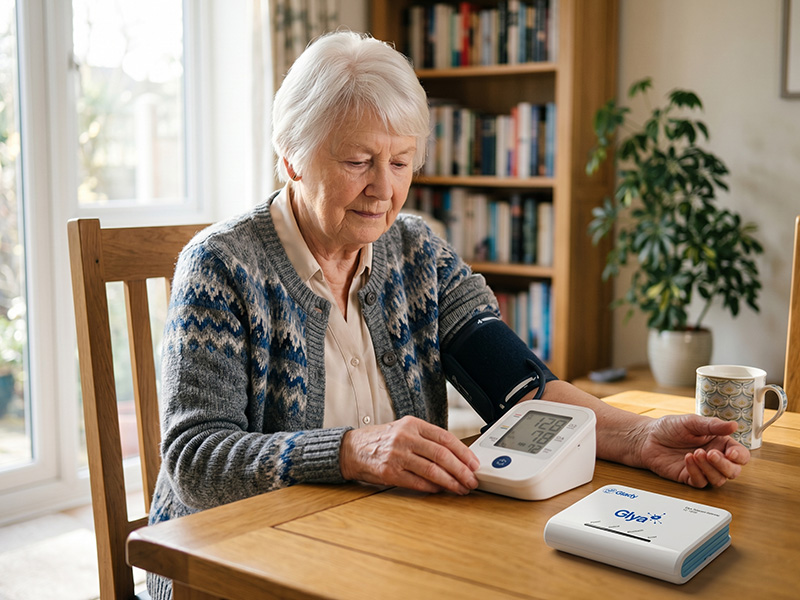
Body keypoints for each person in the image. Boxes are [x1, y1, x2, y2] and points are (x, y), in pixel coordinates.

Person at [146, 31, 749, 599]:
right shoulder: (220, 265)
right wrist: (350, 451)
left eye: (402, 162)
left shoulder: (417, 252)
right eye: (358, 161)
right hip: (229, 562)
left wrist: (640, 437)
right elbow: (196, 460)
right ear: (292, 160)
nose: (383, 189)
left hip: (378, 540)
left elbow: (521, 387)